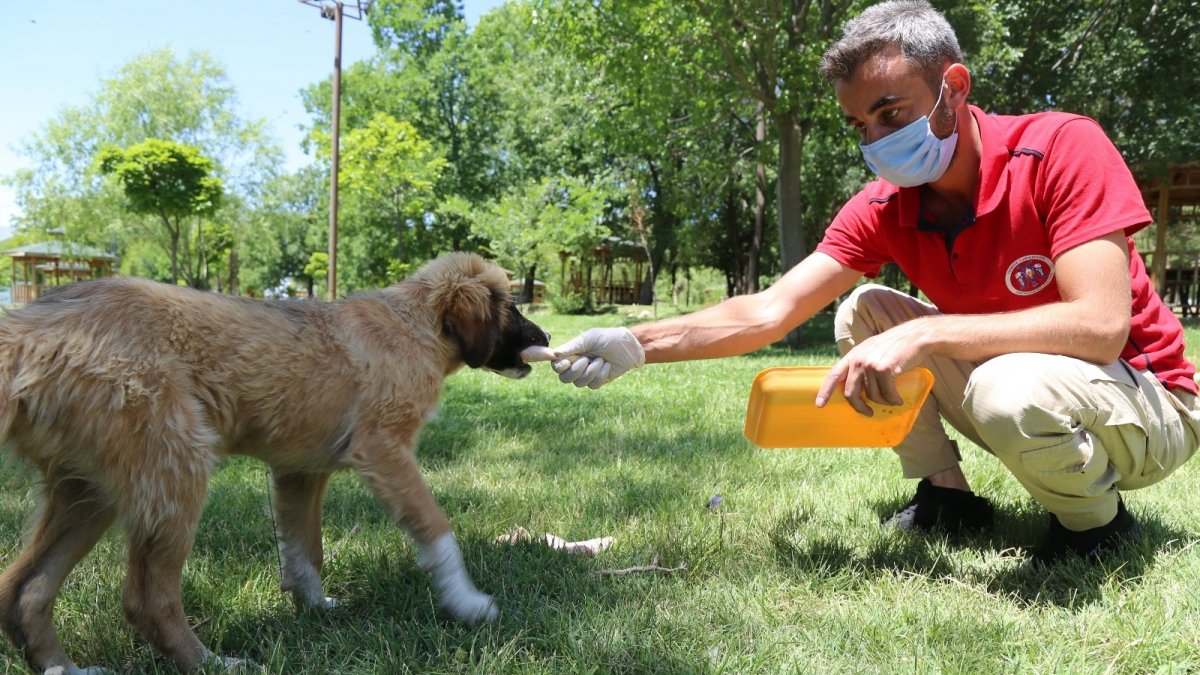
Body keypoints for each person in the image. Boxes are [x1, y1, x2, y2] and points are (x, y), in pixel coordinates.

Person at [528, 0, 1200, 567]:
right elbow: (770, 310)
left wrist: (929, 331)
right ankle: (949, 500)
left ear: (955, 87)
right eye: (859, 125)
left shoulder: (1059, 148)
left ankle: (1096, 529)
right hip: (1034, 388)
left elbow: (1100, 325)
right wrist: (636, 342)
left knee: (997, 382)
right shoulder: (886, 204)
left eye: (891, 113)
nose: (876, 139)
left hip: (1147, 400)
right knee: (866, 312)